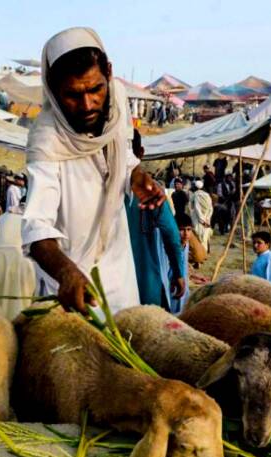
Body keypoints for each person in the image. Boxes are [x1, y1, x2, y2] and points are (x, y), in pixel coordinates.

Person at [21, 27, 166, 313]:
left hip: (120, 272)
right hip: (75, 288)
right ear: (52, 88)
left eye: (95, 89)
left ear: (109, 73)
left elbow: (121, 150)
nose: (88, 104)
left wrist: (135, 174)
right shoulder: (47, 140)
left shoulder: (116, 101)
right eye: (73, 95)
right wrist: (65, 272)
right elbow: (36, 229)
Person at [0, 212, 37, 320]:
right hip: (23, 258)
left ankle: (1, 326)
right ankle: (21, 324)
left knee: (0, 294)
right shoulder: (32, 218)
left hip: (0, 257)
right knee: (23, 296)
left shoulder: (3, 218)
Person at [189, 179, 213, 251]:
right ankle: (204, 252)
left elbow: (196, 208)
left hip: (198, 219)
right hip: (206, 219)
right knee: (205, 236)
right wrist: (207, 218)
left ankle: (201, 255)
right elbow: (210, 208)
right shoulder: (207, 195)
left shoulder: (195, 195)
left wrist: (202, 220)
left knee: (199, 237)